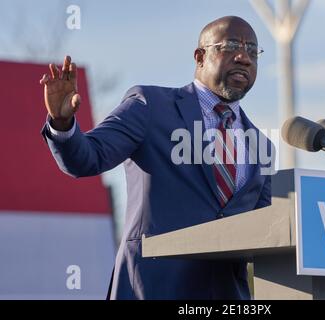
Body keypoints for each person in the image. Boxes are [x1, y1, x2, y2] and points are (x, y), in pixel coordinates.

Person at [40, 16, 274, 299]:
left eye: (252, 50)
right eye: (232, 45)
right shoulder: (150, 106)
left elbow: (265, 232)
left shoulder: (262, 145)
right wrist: (62, 123)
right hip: (151, 287)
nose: (244, 57)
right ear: (200, 57)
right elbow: (88, 158)